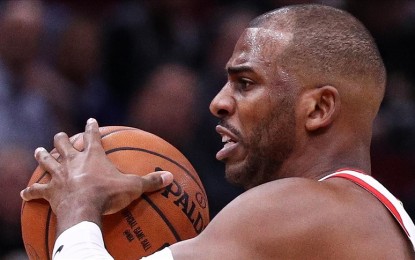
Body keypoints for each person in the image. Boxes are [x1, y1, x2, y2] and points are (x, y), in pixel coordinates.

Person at [21, 4, 415, 259]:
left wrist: (79, 204)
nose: (218, 102)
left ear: (318, 109)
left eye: (245, 83)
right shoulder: (376, 222)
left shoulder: (298, 206)